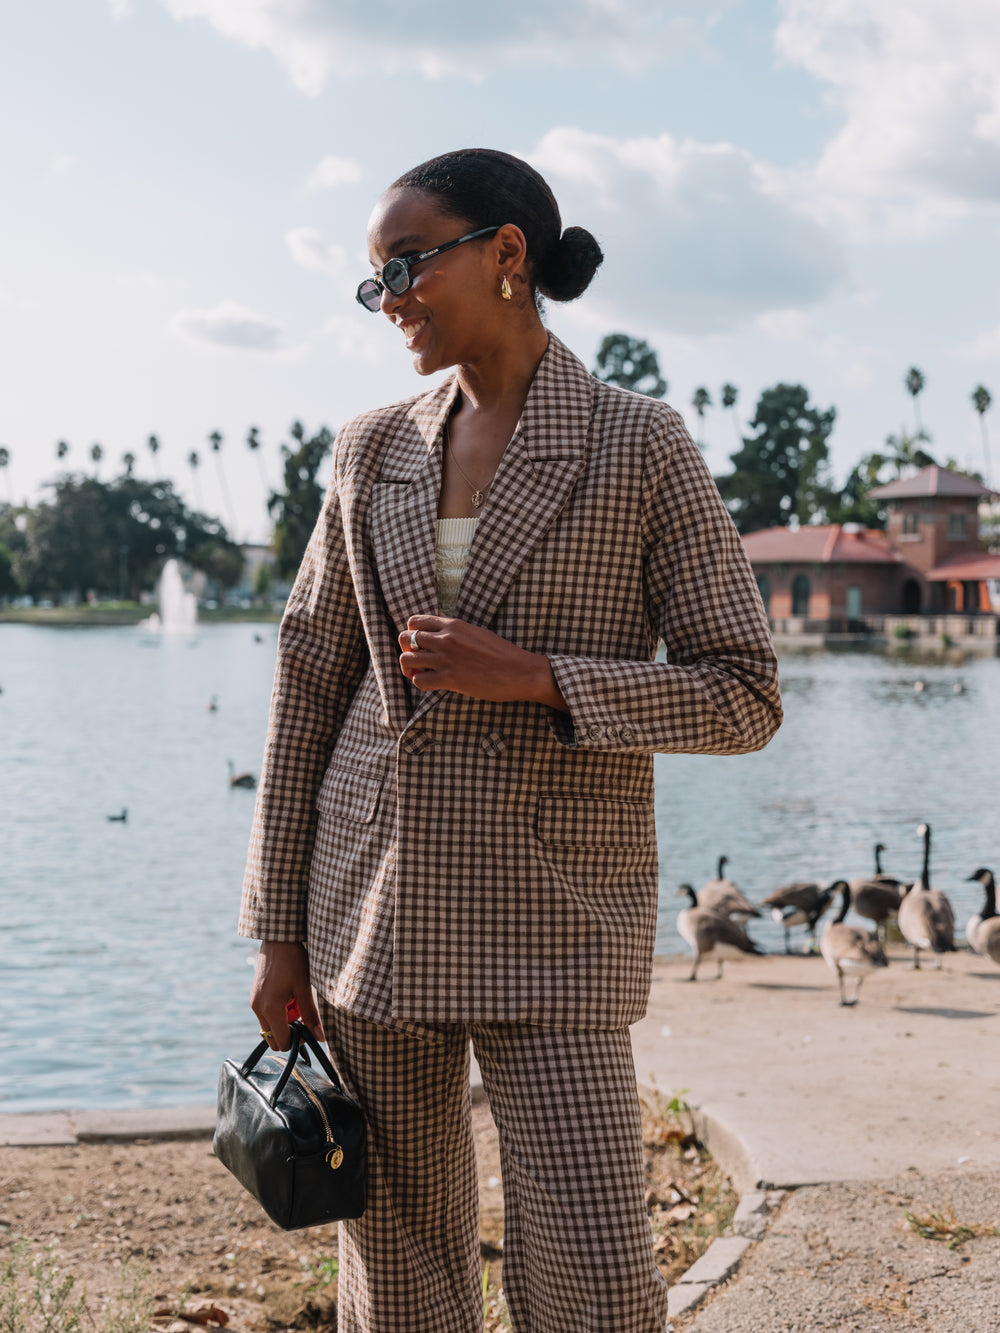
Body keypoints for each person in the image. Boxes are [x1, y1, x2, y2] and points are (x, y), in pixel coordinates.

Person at [241, 147, 782, 1333]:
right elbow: (309, 683)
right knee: (400, 1276)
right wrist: (279, 931)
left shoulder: (640, 445)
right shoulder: (369, 447)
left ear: (505, 254)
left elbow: (743, 692)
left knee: (592, 1275)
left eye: (407, 264)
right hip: (369, 916)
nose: (389, 299)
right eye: (373, 278)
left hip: (556, 918)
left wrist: (536, 679)